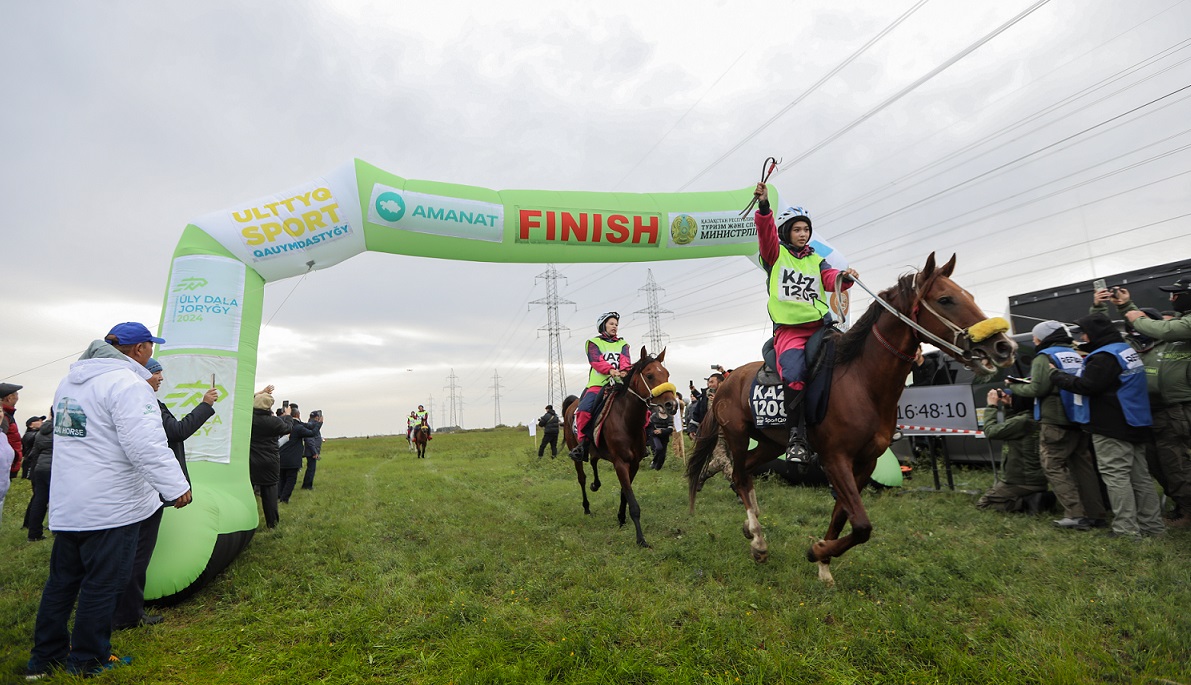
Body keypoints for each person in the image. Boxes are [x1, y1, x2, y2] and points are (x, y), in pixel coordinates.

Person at [26, 323, 192, 679]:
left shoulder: (69, 383)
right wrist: (176, 486)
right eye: (150, 347)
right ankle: (88, 659)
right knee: (102, 585)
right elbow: (144, 445)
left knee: (62, 583)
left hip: (70, 504)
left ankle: (45, 659)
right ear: (140, 349)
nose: (151, 354)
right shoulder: (129, 384)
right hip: (112, 506)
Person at [752, 182, 857, 461]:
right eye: (797, 229)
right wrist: (764, 207)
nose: (803, 234)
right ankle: (797, 437)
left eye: (806, 229)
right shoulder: (775, 255)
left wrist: (844, 278)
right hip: (790, 332)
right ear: (787, 232)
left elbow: (830, 278)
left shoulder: (816, 259)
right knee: (795, 372)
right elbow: (765, 235)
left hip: (821, 326)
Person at [111, 358, 218, 630]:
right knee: (137, 554)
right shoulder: (146, 405)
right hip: (147, 486)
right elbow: (177, 432)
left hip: (136, 487)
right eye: (157, 374)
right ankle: (127, 615)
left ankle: (127, 611)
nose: (161, 379)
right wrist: (206, 405)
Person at [1049, 313, 1164, 539]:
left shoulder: (1103, 356)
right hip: (1136, 421)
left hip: (1111, 425)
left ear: (1093, 333)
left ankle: (1126, 530)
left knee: (1116, 477)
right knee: (1140, 478)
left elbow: (1087, 385)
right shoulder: (1124, 350)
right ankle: (1153, 527)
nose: (1081, 337)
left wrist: (1057, 375)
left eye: (1083, 332)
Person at [1006, 321, 1107, 530]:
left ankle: (1075, 514)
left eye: (1035, 337)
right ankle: (1096, 514)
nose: (1034, 341)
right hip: (1079, 417)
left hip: (1055, 420)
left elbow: (1038, 389)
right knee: (1083, 468)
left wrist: (1015, 387)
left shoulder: (1045, 356)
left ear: (1042, 338)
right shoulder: (1075, 353)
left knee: (1052, 465)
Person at [1116, 279, 1191, 528]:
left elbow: (1163, 329)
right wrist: (1126, 306)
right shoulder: (1172, 333)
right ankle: (1183, 506)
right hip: (1155, 411)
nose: (1171, 299)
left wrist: (1134, 313)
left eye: (1176, 294)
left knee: (1176, 463)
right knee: (1160, 464)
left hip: (1177, 409)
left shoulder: (1179, 330)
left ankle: (1188, 511)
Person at [570, 312, 632, 461]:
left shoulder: (623, 344)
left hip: (619, 384)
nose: (615, 327)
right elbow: (596, 361)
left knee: (642, 406)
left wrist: (624, 371)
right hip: (598, 385)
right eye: (611, 324)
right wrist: (610, 370)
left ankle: (646, 440)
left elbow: (625, 361)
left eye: (616, 324)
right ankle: (583, 445)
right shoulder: (593, 343)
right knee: (584, 410)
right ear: (603, 325)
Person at [976, 389, 1051, 513]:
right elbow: (1011, 424)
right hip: (1035, 478)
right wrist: (1008, 405)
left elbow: (991, 431)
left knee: (985, 504)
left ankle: (1028, 503)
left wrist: (991, 406)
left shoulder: (1022, 421)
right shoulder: (1033, 418)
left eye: (1012, 398)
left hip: (1021, 481)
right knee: (996, 494)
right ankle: (1033, 497)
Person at [249, 386, 292, 528]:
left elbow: (245, 400)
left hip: (250, 460)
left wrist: (260, 392)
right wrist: (287, 415)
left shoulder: (247, 418)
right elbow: (287, 428)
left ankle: (248, 521)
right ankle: (272, 524)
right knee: (270, 494)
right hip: (269, 461)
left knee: (248, 493)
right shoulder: (274, 422)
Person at [23, 410, 54, 542]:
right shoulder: (62, 429)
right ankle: (58, 530)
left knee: (39, 499)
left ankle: (34, 533)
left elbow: (34, 452)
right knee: (59, 499)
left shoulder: (41, 432)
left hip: (40, 468)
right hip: (55, 468)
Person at [279, 404, 319, 503]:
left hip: (280, 455)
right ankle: (284, 499)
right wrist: (320, 423)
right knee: (291, 479)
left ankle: (279, 496)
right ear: (297, 415)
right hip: (292, 458)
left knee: (281, 478)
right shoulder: (298, 427)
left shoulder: (281, 425)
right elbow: (312, 433)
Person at [2, 381, 24, 480]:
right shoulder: (3, 417)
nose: (17, 398)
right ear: (9, 397)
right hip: (4, 465)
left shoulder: (7, 415)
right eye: (16, 395)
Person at [300, 410, 325, 490]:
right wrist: (314, 452)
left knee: (310, 468)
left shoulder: (310, 424)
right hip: (311, 451)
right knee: (311, 469)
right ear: (317, 417)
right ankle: (307, 486)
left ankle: (307, 485)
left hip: (311, 450)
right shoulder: (312, 425)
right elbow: (309, 440)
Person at [647, 404, 675, 470]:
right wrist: (653, 431)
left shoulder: (670, 417)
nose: (663, 409)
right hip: (655, 436)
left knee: (663, 455)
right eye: (662, 407)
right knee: (658, 448)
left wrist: (661, 431)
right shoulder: (654, 416)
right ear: (659, 408)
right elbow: (649, 427)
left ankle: (658, 468)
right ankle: (654, 461)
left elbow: (670, 429)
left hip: (665, 437)